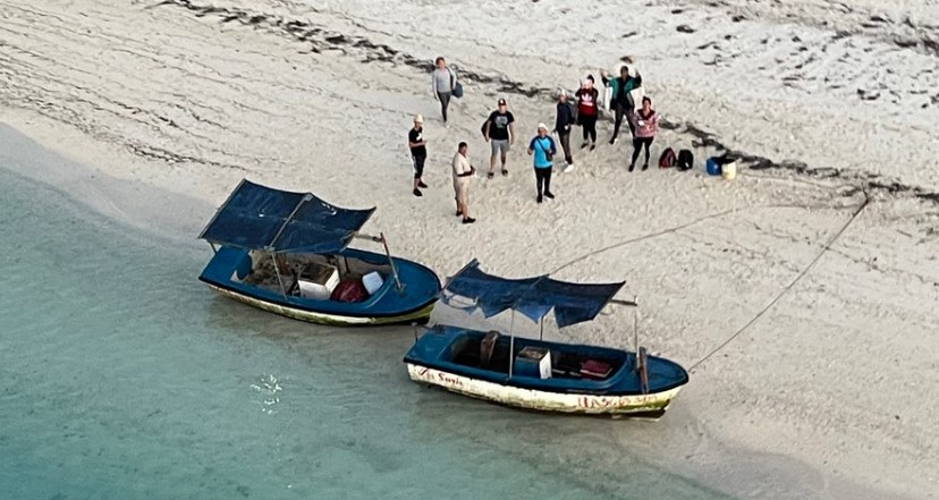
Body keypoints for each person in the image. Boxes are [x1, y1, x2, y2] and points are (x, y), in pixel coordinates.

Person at [601, 65, 643, 144]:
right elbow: (607, 83)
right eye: (622, 72)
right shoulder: (616, 80)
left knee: (630, 122)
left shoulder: (632, 80)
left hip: (628, 104)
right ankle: (615, 136)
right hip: (619, 104)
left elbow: (638, 83)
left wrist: (638, 75)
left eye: (624, 72)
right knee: (618, 121)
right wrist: (603, 76)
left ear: (627, 72)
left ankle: (635, 137)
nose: (623, 73)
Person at [482, 98, 515, 178]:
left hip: (504, 138)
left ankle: (503, 167)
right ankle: (492, 169)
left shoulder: (509, 115)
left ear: (506, 106)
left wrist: (513, 136)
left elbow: (511, 126)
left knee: (503, 154)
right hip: (495, 138)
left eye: (503, 106)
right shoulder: (494, 114)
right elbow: (489, 124)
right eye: (500, 106)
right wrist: (487, 134)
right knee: (494, 154)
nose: (501, 108)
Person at [527, 123, 557, 203]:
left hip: (548, 164)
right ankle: (539, 194)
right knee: (539, 180)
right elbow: (530, 150)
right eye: (539, 131)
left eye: (543, 131)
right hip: (538, 164)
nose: (541, 133)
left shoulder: (549, 140)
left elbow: (554, 150)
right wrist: (529, 151)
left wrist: (551, 151)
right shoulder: (535, 140)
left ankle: (546, 191)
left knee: (547, 179)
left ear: (546, 131)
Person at [629, 96, 660, 171]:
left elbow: (656, 125)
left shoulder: (653, 114)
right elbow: (633, 121)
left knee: (647, 149)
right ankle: (632, 163)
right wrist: (639, 126)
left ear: (650, 105)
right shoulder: (638, 113)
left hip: (649, 135)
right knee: (637, 149)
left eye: (647, 104)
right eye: (644, 104)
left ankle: (646, 162)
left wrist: (650, 127)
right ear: (642, 104)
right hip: (639, 134)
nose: (646, 105)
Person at [451, 142, 476, 223]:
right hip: (461, 182)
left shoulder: (463, 156)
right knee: (463, 200)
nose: (464, 151)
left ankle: (459, 210)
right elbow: (459, 173)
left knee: (458, 196)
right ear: (459, 149)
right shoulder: (457, 159)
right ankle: (465, 218)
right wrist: (470, 173)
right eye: (463, 149)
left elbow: (468, 163)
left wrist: (471, 167)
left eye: (465, 149)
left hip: (460, 181)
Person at [575, 76, 599, 150]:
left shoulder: (594, 91)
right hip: (583, 113)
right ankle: (585, 141)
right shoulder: (583, 90)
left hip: (592, 114)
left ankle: (593, 142)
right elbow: (576, 94)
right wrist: (581, 88)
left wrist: (589, 89)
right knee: (584, 128)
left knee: (591, 128)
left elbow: (594, 96)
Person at [407, 114, 428, 197]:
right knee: (418, 170)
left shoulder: (420, 129)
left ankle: (419, 181)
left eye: (420, 123)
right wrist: (421, 144)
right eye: (417, 123)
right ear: (414, 122)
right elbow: (411, 145)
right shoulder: (411, 133)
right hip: (416, 154)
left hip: (422, 152)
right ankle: (415, 188)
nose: (418, 124)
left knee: (421, 168)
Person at [554, 90, 575, 172]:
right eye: (560, 96)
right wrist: (556, 127)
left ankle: (570, 163)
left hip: (566, 128)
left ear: (565, 97)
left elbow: (572, 117)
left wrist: (569, 124)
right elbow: (558, 117)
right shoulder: (559, 105)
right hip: (560, 128)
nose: (561, 98)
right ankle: (566, 159)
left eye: (562, 96)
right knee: (562, 144)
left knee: (566, 146)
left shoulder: (568, 106)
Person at [432, 57, 457, 124]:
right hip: (441, 92)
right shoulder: (435, 73)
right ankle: (445, 120)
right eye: (440, 63)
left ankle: (444, 113)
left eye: (443, 63)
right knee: (444, 105)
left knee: (446, 105)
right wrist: (435, 94)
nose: (442, 65)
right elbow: (434, 84)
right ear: (437, 65)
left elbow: (454, 75)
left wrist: (453, 85)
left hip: (449, 91)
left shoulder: (448, 69)